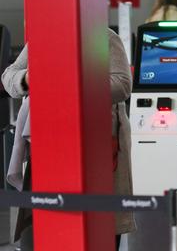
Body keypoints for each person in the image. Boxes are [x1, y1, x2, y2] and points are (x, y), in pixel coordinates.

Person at [1, 29, 136, 250]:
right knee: (49, 226)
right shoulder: (43, 36)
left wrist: (69, 83)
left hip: (95, 147)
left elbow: (122, 84)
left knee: (98, 228)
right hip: (50, 145)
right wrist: (27, 78)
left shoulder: (103, 37)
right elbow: (9, 75)